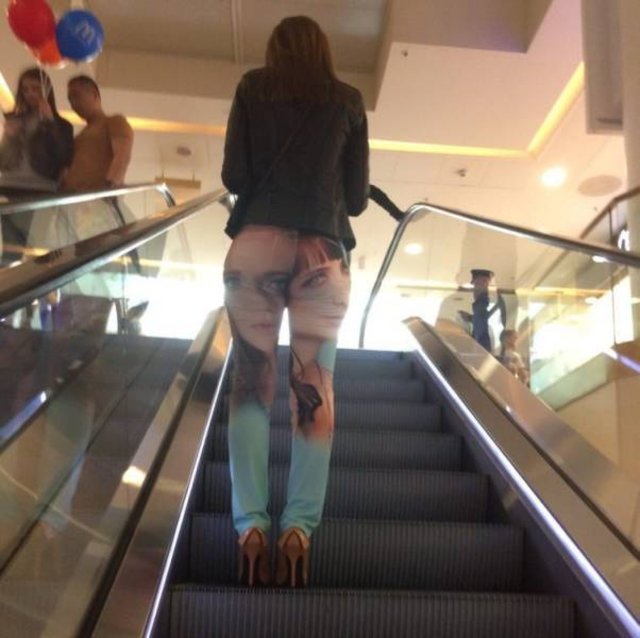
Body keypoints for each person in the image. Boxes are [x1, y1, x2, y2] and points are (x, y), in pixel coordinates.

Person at [221, 15, 369, 588]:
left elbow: (235, 173)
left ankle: (250, 528)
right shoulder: (348, 101)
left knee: (250, 388)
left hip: (255, 244)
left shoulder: (251, 87)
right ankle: (298, 531)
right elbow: (354, 199)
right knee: (315, 391)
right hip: (321, 253)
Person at [0, 68, 73, 261]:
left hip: (41, 189)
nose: (30, 94)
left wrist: (50, 123)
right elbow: (2, 161)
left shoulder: (62, 125)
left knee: (37, 247)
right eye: (25, 89)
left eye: (35, 88)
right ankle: (9, 277)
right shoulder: (14, 119)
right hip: (9, 186)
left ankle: (27, 277)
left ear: (46, 90)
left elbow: (63, 156)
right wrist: (9, 137)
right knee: (11, 247)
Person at [63, 75, 133, 192]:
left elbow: (122, 157)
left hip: (99, 196)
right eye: (70, 99)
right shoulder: (79, 137)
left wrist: (110, 189)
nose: (73, 103)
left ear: (94, 95)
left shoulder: (115, 121)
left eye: (76, 96)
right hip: (74, 197)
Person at [458, 269, 506, 353]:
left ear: (485, 282)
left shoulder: (482, 305)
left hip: (481, 352)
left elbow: (481, 329)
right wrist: (470, 318)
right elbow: (481, 320)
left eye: (477, 284)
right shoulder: (482, 306)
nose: (474, 290)